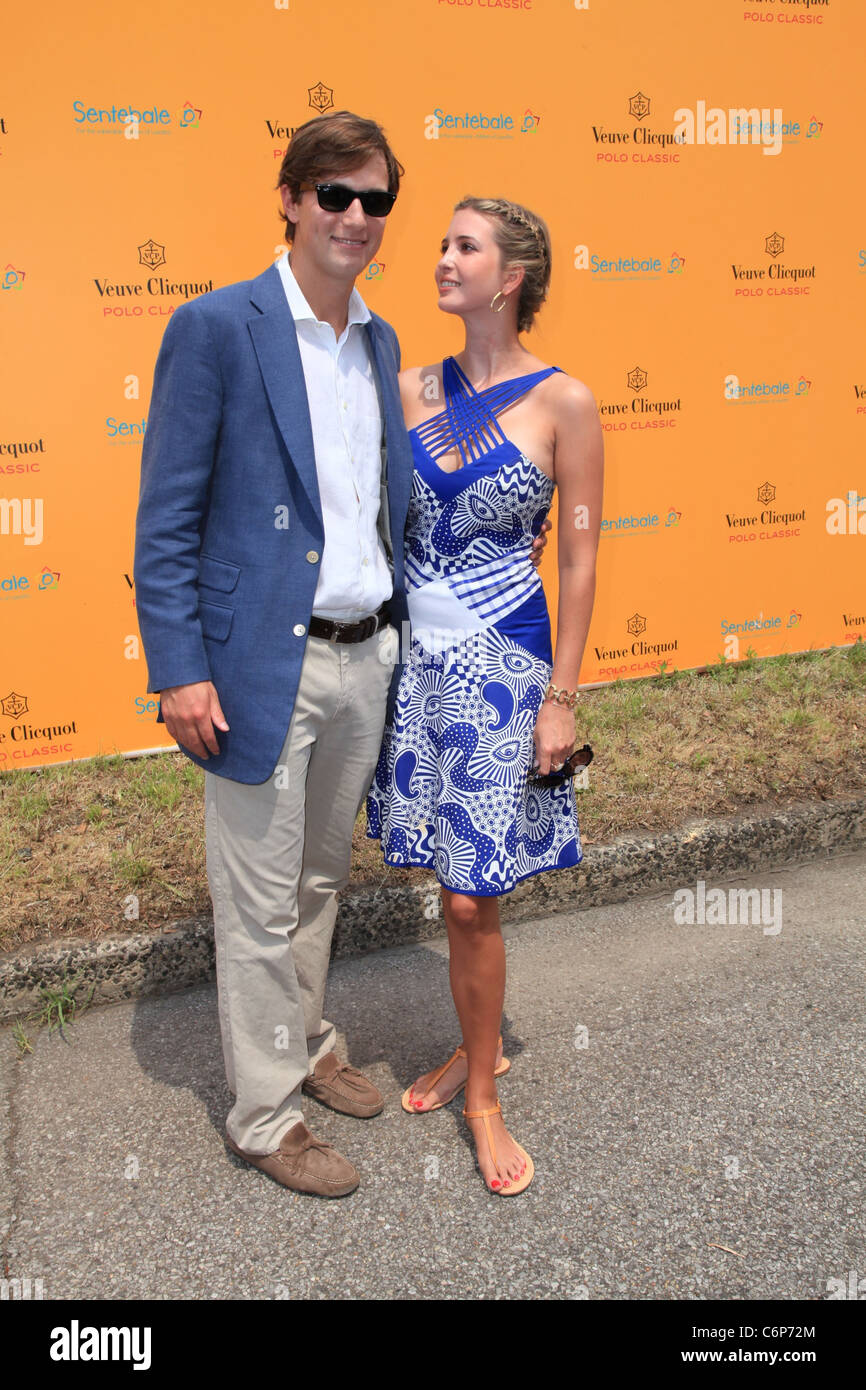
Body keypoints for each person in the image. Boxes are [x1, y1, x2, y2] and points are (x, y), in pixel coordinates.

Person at [134, 116, 549, 1200]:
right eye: (333, 195)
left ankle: (308, 1042)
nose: (354, 219)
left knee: (320, 880)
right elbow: (167, 518)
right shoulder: (218, 326)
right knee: (260, 897)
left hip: (369, 661)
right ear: (288, 197)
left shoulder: (378, 342)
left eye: (373, 202)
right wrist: (179, 667)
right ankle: (265, 1114)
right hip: (259, 664)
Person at [367, 196, 604, 1196]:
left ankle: (482, 1094)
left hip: (505, 668)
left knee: (474, 894)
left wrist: (561, 695)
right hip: (417, 665)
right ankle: (475, 1041)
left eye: (462, 246)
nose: (440, 257)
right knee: (443, 881)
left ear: (508, 276)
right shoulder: (408, 386)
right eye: (441, 242)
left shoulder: (567, 405)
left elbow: (582, 559)